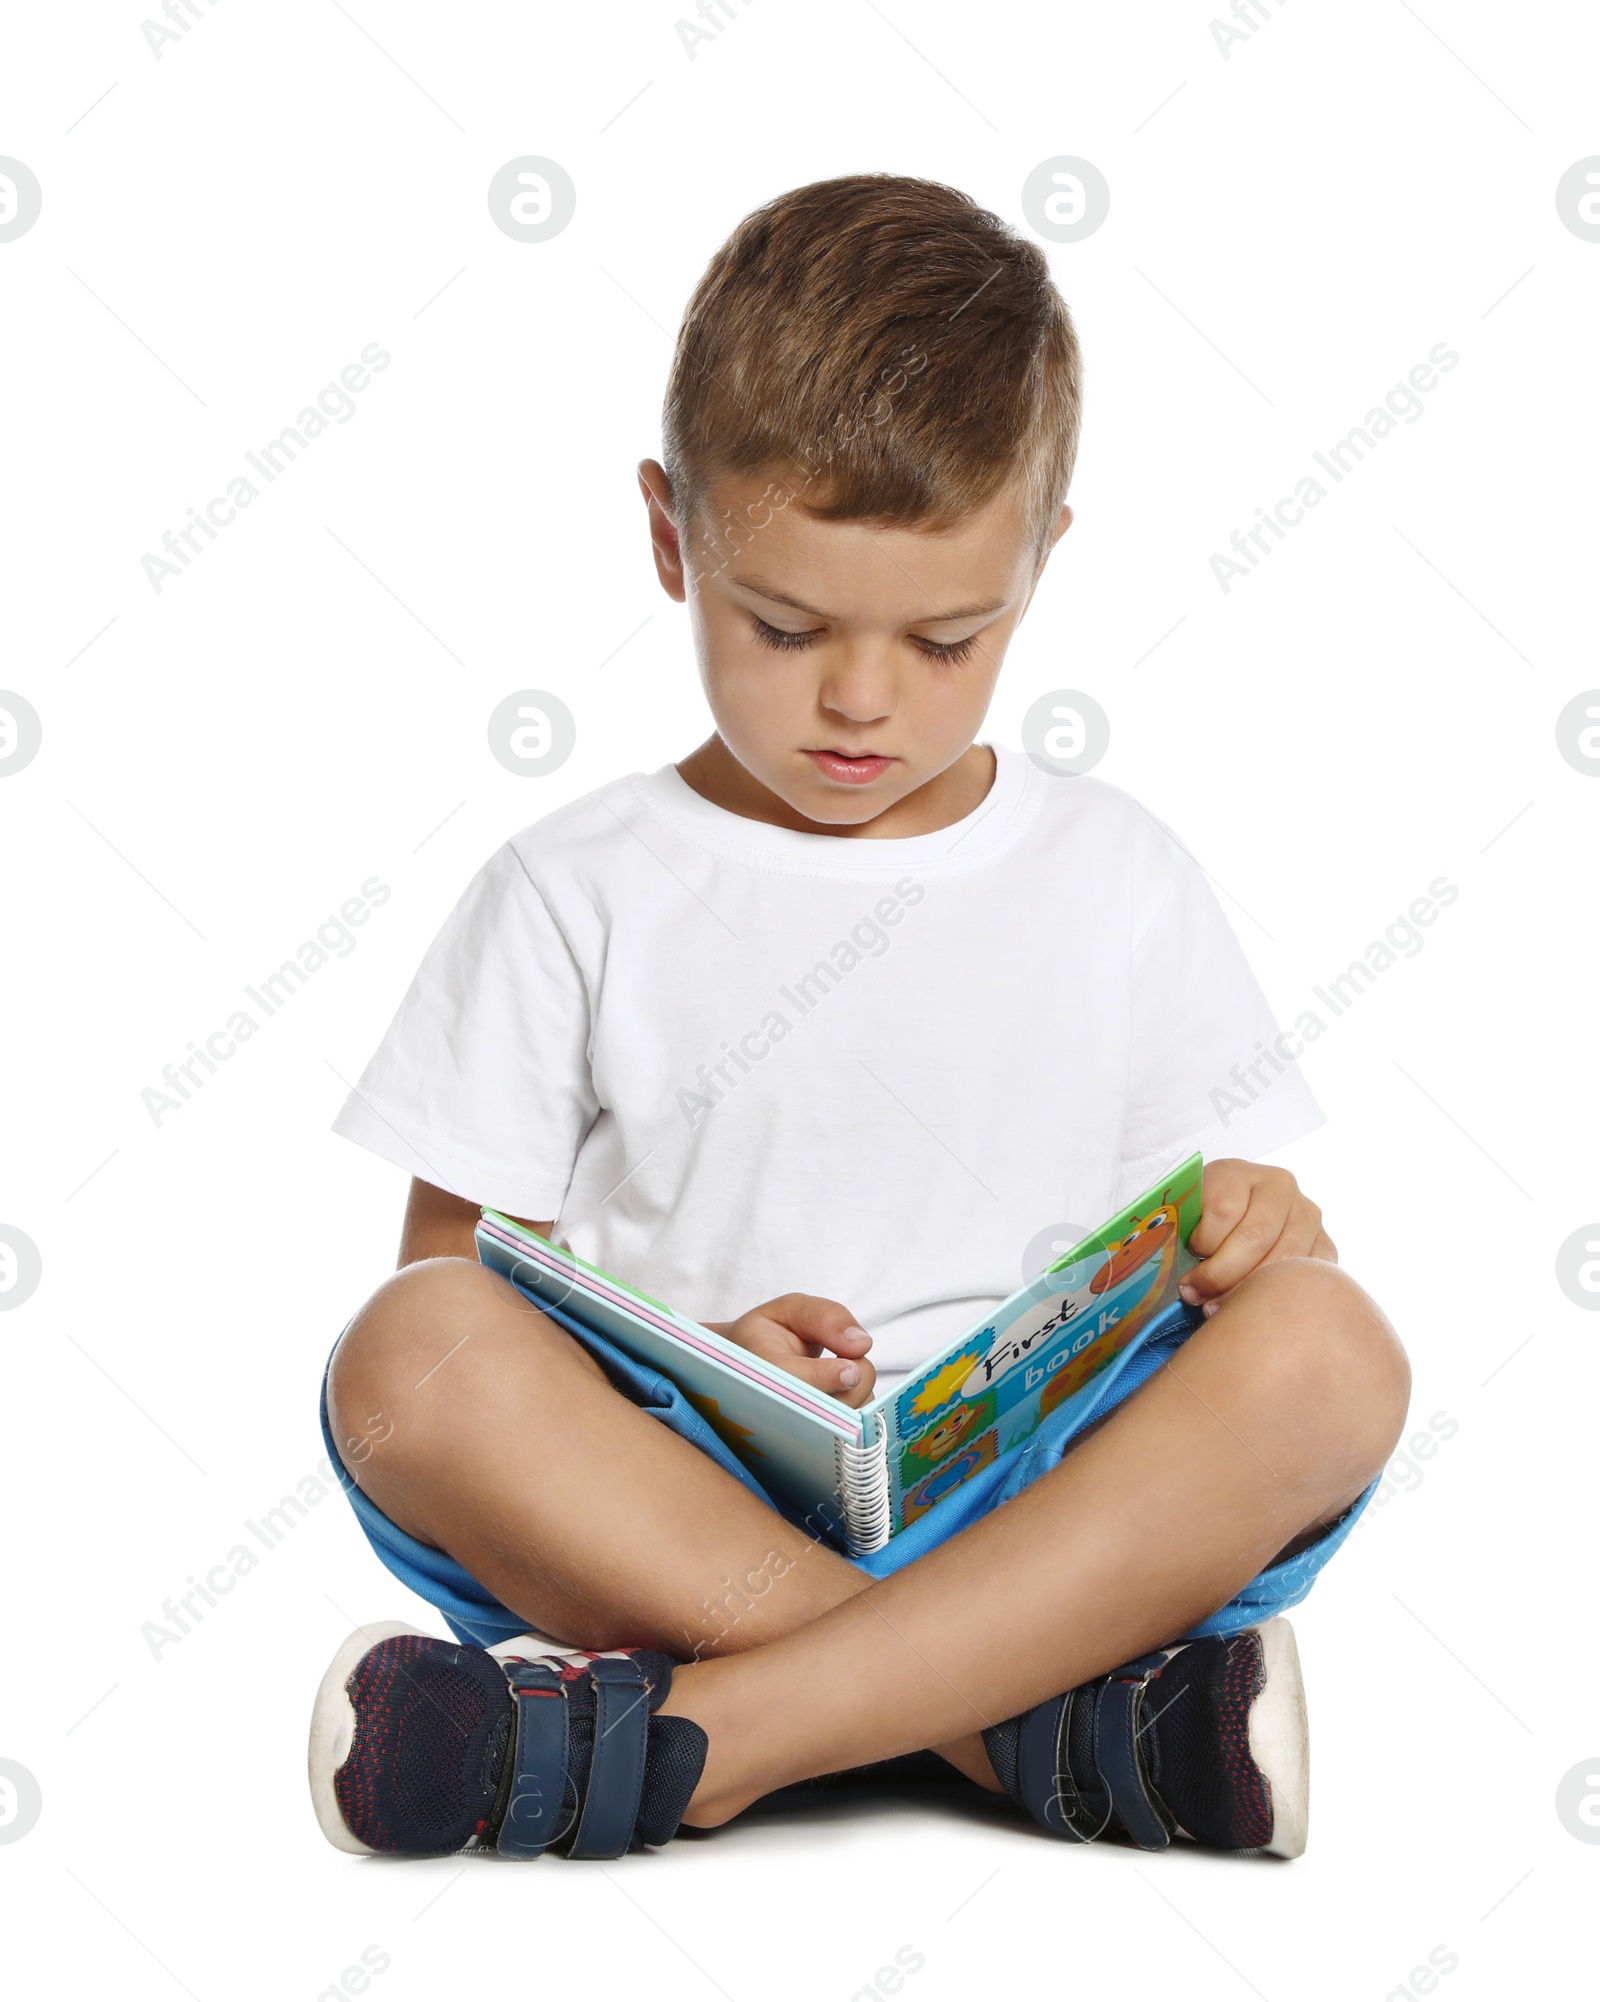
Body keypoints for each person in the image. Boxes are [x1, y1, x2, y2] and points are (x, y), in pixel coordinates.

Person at [306, 174, 1409, 1864]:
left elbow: (1212, 1250)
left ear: (1041, 564)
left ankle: (696, 1737)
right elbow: (468, 1276)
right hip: (692, 1509)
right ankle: (1039, 1734)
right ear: (673, 536)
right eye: (785, 625)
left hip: (1053, 1512)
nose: (860, 699)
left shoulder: (1114, 870)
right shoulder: (572, 884)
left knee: (1334, 1344)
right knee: (406, 1349)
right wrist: (672, 1351)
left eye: (948, 638)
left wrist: (1267, 1227)